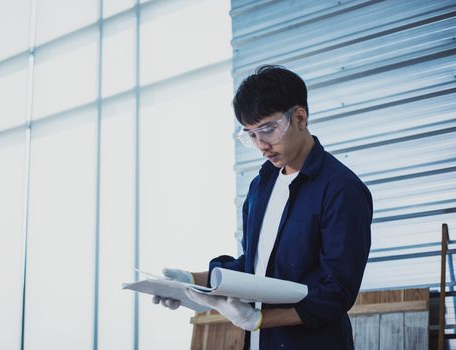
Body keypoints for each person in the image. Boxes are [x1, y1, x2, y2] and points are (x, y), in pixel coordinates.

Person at [153, 65, 372, 350]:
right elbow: (255, 267)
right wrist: (190, 283)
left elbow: (336, 293)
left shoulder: (340, 188)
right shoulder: (262, 185)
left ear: (300, 118)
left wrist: (258, 319)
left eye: (268, 129)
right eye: (251, 134)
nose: (261, 145)